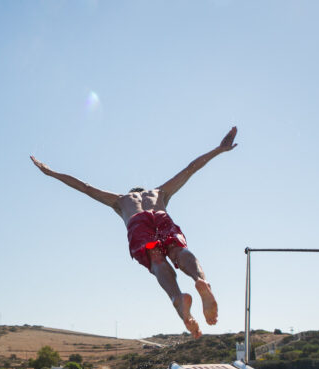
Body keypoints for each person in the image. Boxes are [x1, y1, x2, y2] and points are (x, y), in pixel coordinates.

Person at [30, 127, 238, 338]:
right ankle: (200, 280)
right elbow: (191, 168)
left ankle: (177, 299)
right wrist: (219, 149)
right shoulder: (160, 193)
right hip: (160, 214)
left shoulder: (121, 201)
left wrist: (51, 172)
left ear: (131, 194)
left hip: (138, 225)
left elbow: (85, 187)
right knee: (177, 249)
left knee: (156, 260)